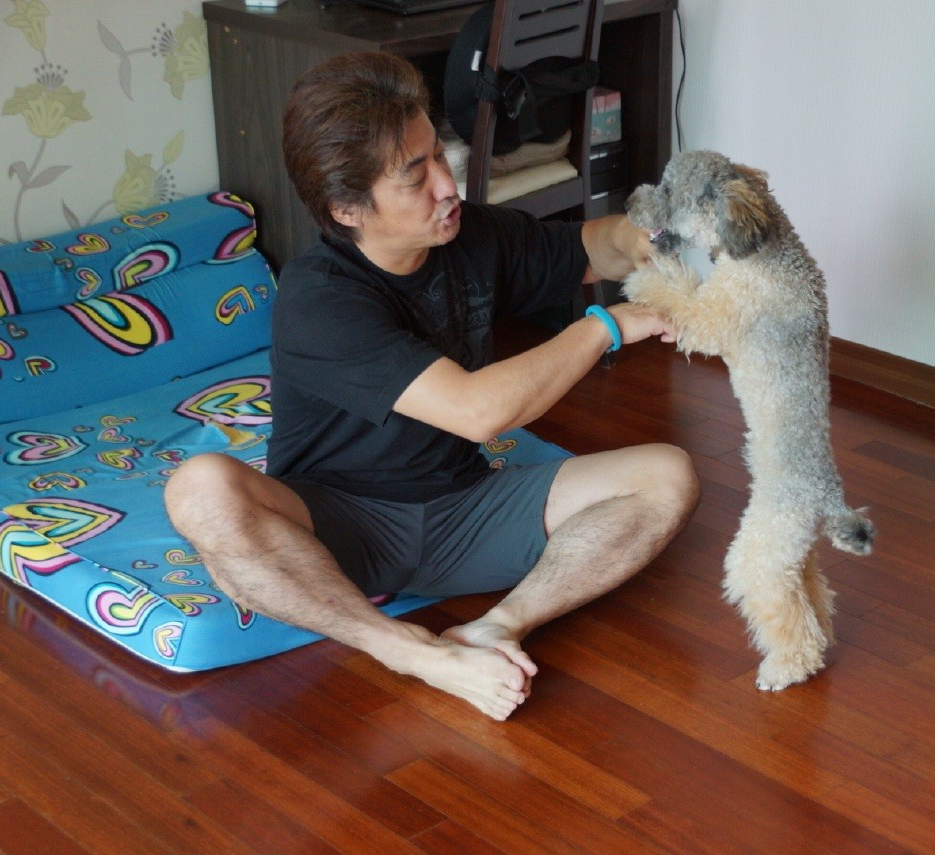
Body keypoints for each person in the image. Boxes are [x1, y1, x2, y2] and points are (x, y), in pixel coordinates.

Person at [163, 51, 699, 721]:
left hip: (464, 509)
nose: (448, 186)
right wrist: (607, 326)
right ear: (348, 208)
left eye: (439, 157)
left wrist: (639, 233)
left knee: (668, 474)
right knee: (200, 489)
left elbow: (592, 249)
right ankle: (406, 650)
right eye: (416, 177)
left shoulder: (467, 235)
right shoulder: (318, 298)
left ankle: (497, 628)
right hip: (338, 528)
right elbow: (478, 413)